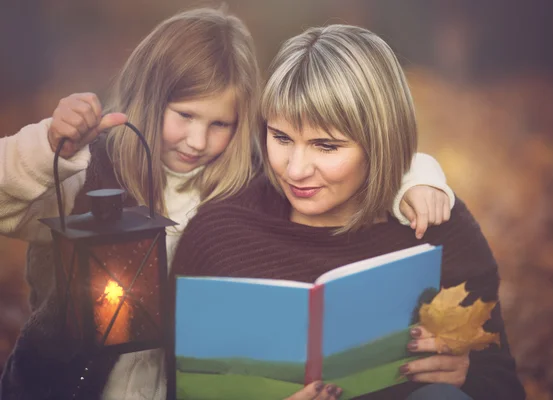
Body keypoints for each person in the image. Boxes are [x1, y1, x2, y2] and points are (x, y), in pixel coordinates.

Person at [0, 8, 455, 400]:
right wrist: (48, 145)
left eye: (222, 123)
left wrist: (416, 178)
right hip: (66, 386)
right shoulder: (90, 174)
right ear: (148, 96)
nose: (198, 141)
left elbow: (345, 158)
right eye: (184, 116)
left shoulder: (246, 187)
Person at [172, 23, 526, 400]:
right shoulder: (218, 235)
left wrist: (467, 376)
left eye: (326, 146)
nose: (295, 169)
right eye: (281, 138)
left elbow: (503, 385)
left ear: (380, 141)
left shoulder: (438, 226)